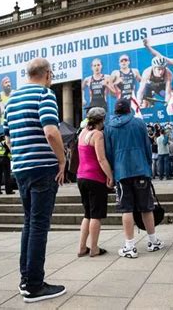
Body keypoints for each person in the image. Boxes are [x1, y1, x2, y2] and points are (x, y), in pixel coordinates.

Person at [4, 58, 67, 302]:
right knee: (39, 225)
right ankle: (34, 285)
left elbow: (8, 140)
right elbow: (51, 132)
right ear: (48, 74)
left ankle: (26, 279)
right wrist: (62, 160)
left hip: (21, 169)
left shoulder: (11, 101)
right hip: (42, 168)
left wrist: (22, 155)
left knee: (29, 223)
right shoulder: (45, 95)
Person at [105, 100, 164, 258]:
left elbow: (108, 153)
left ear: (116, 112)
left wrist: (112, 171)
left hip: (121, 172)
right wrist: (148, 166)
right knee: (146, 207)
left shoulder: (109, 127)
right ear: (128, 110)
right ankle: (153, 241)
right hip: (141, 169)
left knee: (127, 209)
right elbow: (147, 146)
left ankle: (130, 246)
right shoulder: (139, 123)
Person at [76, 107, 114, 258]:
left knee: (87, 214)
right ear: (102, 119)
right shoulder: (97, 134)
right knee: (96, 215)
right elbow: (101, 158)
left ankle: (81, 248)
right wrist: (110, 176)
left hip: (81, 177)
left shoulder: (82, 133)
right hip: (95, 178)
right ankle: (94, 248)